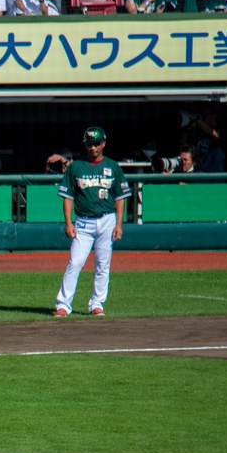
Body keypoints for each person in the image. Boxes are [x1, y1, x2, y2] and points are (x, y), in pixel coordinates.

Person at [54, 127, 131, 318]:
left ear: (103, 143)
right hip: (83, 222)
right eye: (90, 143)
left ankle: (97, 303)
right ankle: (63, 305)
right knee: (75, 262)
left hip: (107, 219)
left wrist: (119, 224)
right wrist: (68, 223)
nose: (93, 147)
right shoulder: (76, 167)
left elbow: (120, 197)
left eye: (97, 143)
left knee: (103, 264)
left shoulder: (113, 167)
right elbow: (67, 197)